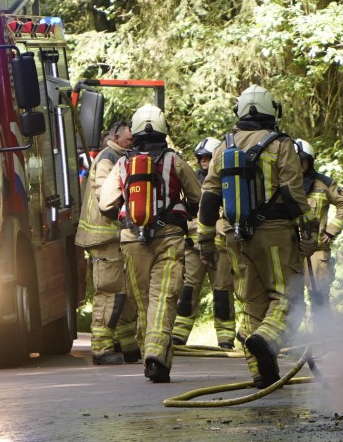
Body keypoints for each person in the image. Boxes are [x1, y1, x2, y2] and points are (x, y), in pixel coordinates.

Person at [197, 85, 314, 388]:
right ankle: (265, 339)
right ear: (271, 111)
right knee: (286, 294)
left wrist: (206, 239)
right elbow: (291, 189)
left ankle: (262, 373)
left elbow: (209, 197)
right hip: (275, 234)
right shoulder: (280, 144)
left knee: (251, 301)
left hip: (236, 236)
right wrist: (307, 225)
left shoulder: (223, 148)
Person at [97, 105, 201, 382]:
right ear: (163, 130)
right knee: (163, 297)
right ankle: (156, 355)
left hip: (132, 241)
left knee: (143, 303)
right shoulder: (174, 161)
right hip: (168, 238)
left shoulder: (122, 163)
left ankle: (154, 360)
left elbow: (105, 202)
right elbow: (197, 197)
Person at [75, 120, 140, 365]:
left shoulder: (121, 157)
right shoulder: (108, 158)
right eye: (130, 139)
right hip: (104, 236)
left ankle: (128, 345)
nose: (132, 142)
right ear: (116, 136)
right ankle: (101, 349)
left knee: (124, 291)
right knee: (110, 290)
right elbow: (106, 198)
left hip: (114, 236)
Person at [171, 137, 237, 349]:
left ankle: (225, 338)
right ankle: (179, 336)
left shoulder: (226, 182)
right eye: (200, 157)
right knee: (188, 290)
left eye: (208, 157)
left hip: (219, 245)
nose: (203, 161)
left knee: (222, 291)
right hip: (193, 244)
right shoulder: (191, 181)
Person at [294, 139, 343, 315]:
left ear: (309, 161)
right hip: (291, 251)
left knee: (318, 296)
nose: (298, 164)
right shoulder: (284, 184)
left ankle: (321, 335)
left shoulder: (324, 183)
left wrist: (331, 230)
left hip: (316, 251)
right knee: (292, 297)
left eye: (301, 160)